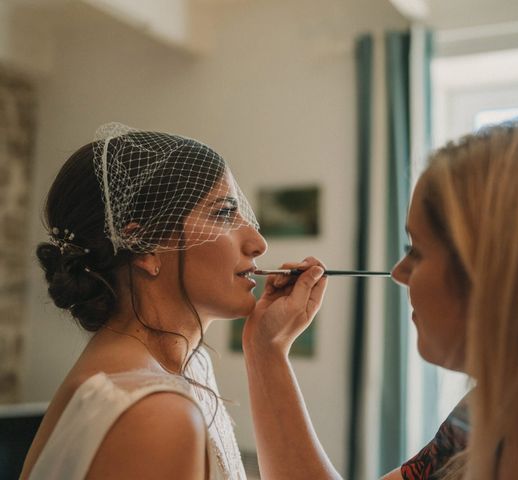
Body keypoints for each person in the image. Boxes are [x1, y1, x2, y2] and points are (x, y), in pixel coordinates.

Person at [242, 115, 518, 480]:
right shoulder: (490, 412)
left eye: (418, 250)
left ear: (497, 269)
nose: (399, 273)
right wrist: (266, 348)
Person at [20, 123, 327, 480]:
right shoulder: (153, 411)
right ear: (145, 246)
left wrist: (268, 347)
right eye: (225, 213)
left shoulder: (183, 371)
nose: (258, 242)